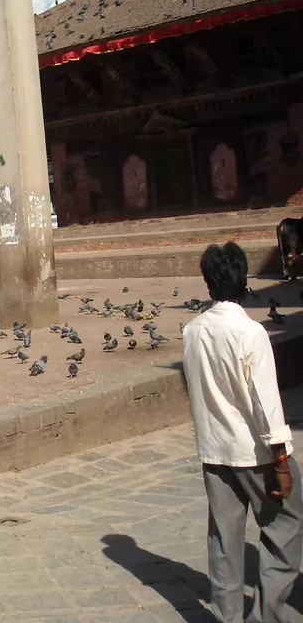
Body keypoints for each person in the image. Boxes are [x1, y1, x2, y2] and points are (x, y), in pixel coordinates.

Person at [182, 242, 302, 623]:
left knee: (224, 539)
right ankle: (267, 615)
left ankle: (227, 616)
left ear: (208, 283)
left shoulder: (193, 331)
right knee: (285, 527)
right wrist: (281, 460)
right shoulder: (251, 334)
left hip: (214, 450)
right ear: (244, 279)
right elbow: (267, 404)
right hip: (255, 453)